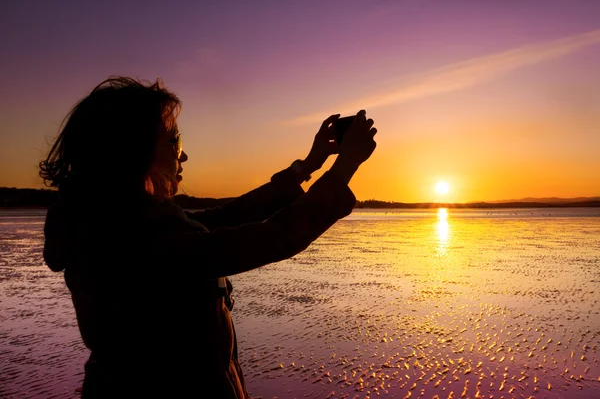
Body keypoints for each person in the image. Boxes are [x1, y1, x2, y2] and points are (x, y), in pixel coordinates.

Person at [39, 76, 377, 398]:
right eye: (174, 140)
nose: (182, 154)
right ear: (131, 152)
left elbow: (222, 220)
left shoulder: (116, 221)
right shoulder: (130, 239)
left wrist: (308, 166)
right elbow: (274, 237)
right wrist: (344, 168)